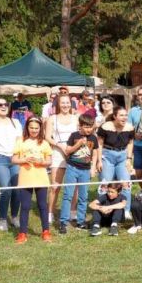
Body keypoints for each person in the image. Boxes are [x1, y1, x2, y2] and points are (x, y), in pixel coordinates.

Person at [12, 117, 53, 243]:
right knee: (25, 206)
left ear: (40, 129)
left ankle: (46, 231)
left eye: (36, 128)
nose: (34, 130)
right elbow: (13, 159)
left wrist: (41, 161)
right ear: (27, 128)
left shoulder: (44, 143)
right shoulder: (21, 141)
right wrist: (24, 160)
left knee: (42, 206)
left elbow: (49, 161)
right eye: (31, 128)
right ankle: (22, 233)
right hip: (25, 178)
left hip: (41, 178)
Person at [57, 114, 100, 232]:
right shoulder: (74, 136)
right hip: (72, 168)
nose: (88, 129)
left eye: (90, 127)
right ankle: (63, 222)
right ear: (80, 126)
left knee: (83, 197)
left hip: (85, 170)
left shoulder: (93, 138)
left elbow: (95, 153)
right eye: (86, 126)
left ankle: (81, 221)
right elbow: (68, 150)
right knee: (68, 196)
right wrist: (79, 144)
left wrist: (93, 168)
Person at [0, 97, 22, 231]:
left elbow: (20, 140)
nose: (3, 107)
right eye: (0, 105)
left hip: (15, 159)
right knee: (6, 190)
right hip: (0, 159)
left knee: (17, 190)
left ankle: (14, 217)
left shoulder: (15, 122)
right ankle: (3, 218)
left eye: (6, 104)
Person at [47, 92, 79, 224]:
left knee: (74, 185)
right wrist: (60, 145)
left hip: (74, 152)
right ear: (58, 104)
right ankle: (50, 212)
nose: (65, 105)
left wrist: (74, 147)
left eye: (67, 103)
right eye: (62, 103)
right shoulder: (52, 119)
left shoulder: (76, 118)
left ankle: (73, 212)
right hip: (58, 152)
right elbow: (47, 137)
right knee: (55, 185)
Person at [98, 106, 135, 215]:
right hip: (107, 156)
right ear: (114, 116)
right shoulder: (105, 126)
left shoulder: (130, 127)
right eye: (121, 115)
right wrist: (99, 160)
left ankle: (126, 210)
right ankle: (103, 209)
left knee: (126, 184)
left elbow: (130, 143)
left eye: (126, 115)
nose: (125, 117)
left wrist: (129, 159)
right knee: (105, 184)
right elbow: (99, 144)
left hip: (123, 156)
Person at [128, 87, 142, 178]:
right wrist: (134, 135)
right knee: (138, 172)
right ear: (137, 96)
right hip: (138, 145)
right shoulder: (133, 111)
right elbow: (128, 128)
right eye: (140, 94)